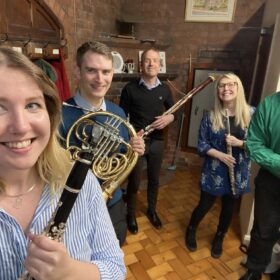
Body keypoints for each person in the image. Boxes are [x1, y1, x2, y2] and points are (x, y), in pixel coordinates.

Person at [0, 47, 126, 279]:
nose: (20, 126)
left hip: (97, 194)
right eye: (0, 107)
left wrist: (70, 272)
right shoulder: (68, 113)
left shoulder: (118, 112)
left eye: (32, 105)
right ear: (78, 71)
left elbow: (115, 267)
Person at [59, 41, 145, 246]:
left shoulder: (118, 113)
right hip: (74, 205)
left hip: (111, 201)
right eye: (91, 70)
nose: (100, 79)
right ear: (77, 71)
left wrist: (134, 149)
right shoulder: (59, 116)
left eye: (106, 71)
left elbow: (121, 156)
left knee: (115, 244)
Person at [185, 73, 255, 258]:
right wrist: (221, 155)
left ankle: (219, 237)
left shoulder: (252, 114)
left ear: (238, 88)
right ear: (218, 91)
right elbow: (202, 144)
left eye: (230, 85)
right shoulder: (210, 116)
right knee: (204, 205)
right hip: (214, 171)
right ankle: (191, 229)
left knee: (229, 208)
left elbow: (258, 145)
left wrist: (240, 143)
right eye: (222, 86)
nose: (226, 89)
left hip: (237, 172)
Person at [119, 48, 175, 234]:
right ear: (141, 64)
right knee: (134, 181)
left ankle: (152, 210)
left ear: (160, 65)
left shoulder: (165, 89)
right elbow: (121, 117)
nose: (151, 64)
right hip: (138, 143)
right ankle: (131, 214)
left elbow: (175, 110)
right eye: (147, 61)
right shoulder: (130, 89)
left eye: (155, 61)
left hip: (158, 142)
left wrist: (170, 118)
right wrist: (132, 137)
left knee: (154, 179)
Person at [239, 92, 280, 280]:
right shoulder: (270, 104)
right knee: (263, 229)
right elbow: (254, 143)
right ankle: (254, 269)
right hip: (270, 179)